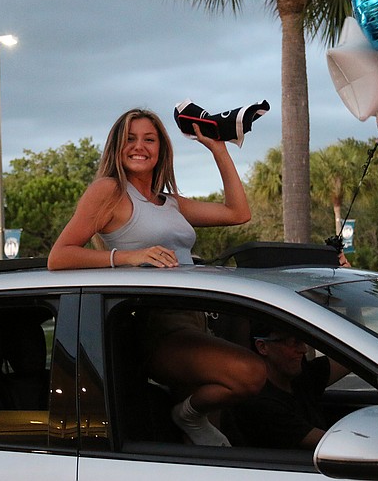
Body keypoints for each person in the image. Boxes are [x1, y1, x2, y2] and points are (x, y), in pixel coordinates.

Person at [48, 108, 265, 446]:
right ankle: (187, 413)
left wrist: (218, 149)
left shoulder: (170, 203)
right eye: (130, 139)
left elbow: (238, 213)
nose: (139, 146)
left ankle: (189, 419)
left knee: (209, 454)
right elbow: (59, 256)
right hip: (158, 324)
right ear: (116, 148)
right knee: (251, 374)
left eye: (149, 139)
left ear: (161, 149)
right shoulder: (109, 191)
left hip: (197, 319)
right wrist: (127, 257)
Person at [231, 322, 350, 450]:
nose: (303, 349)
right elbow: (331, 443)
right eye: (293, 342)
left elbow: (352, 358)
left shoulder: (299, 376)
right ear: (262, 347)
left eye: (303, 341)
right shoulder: (262, 405)